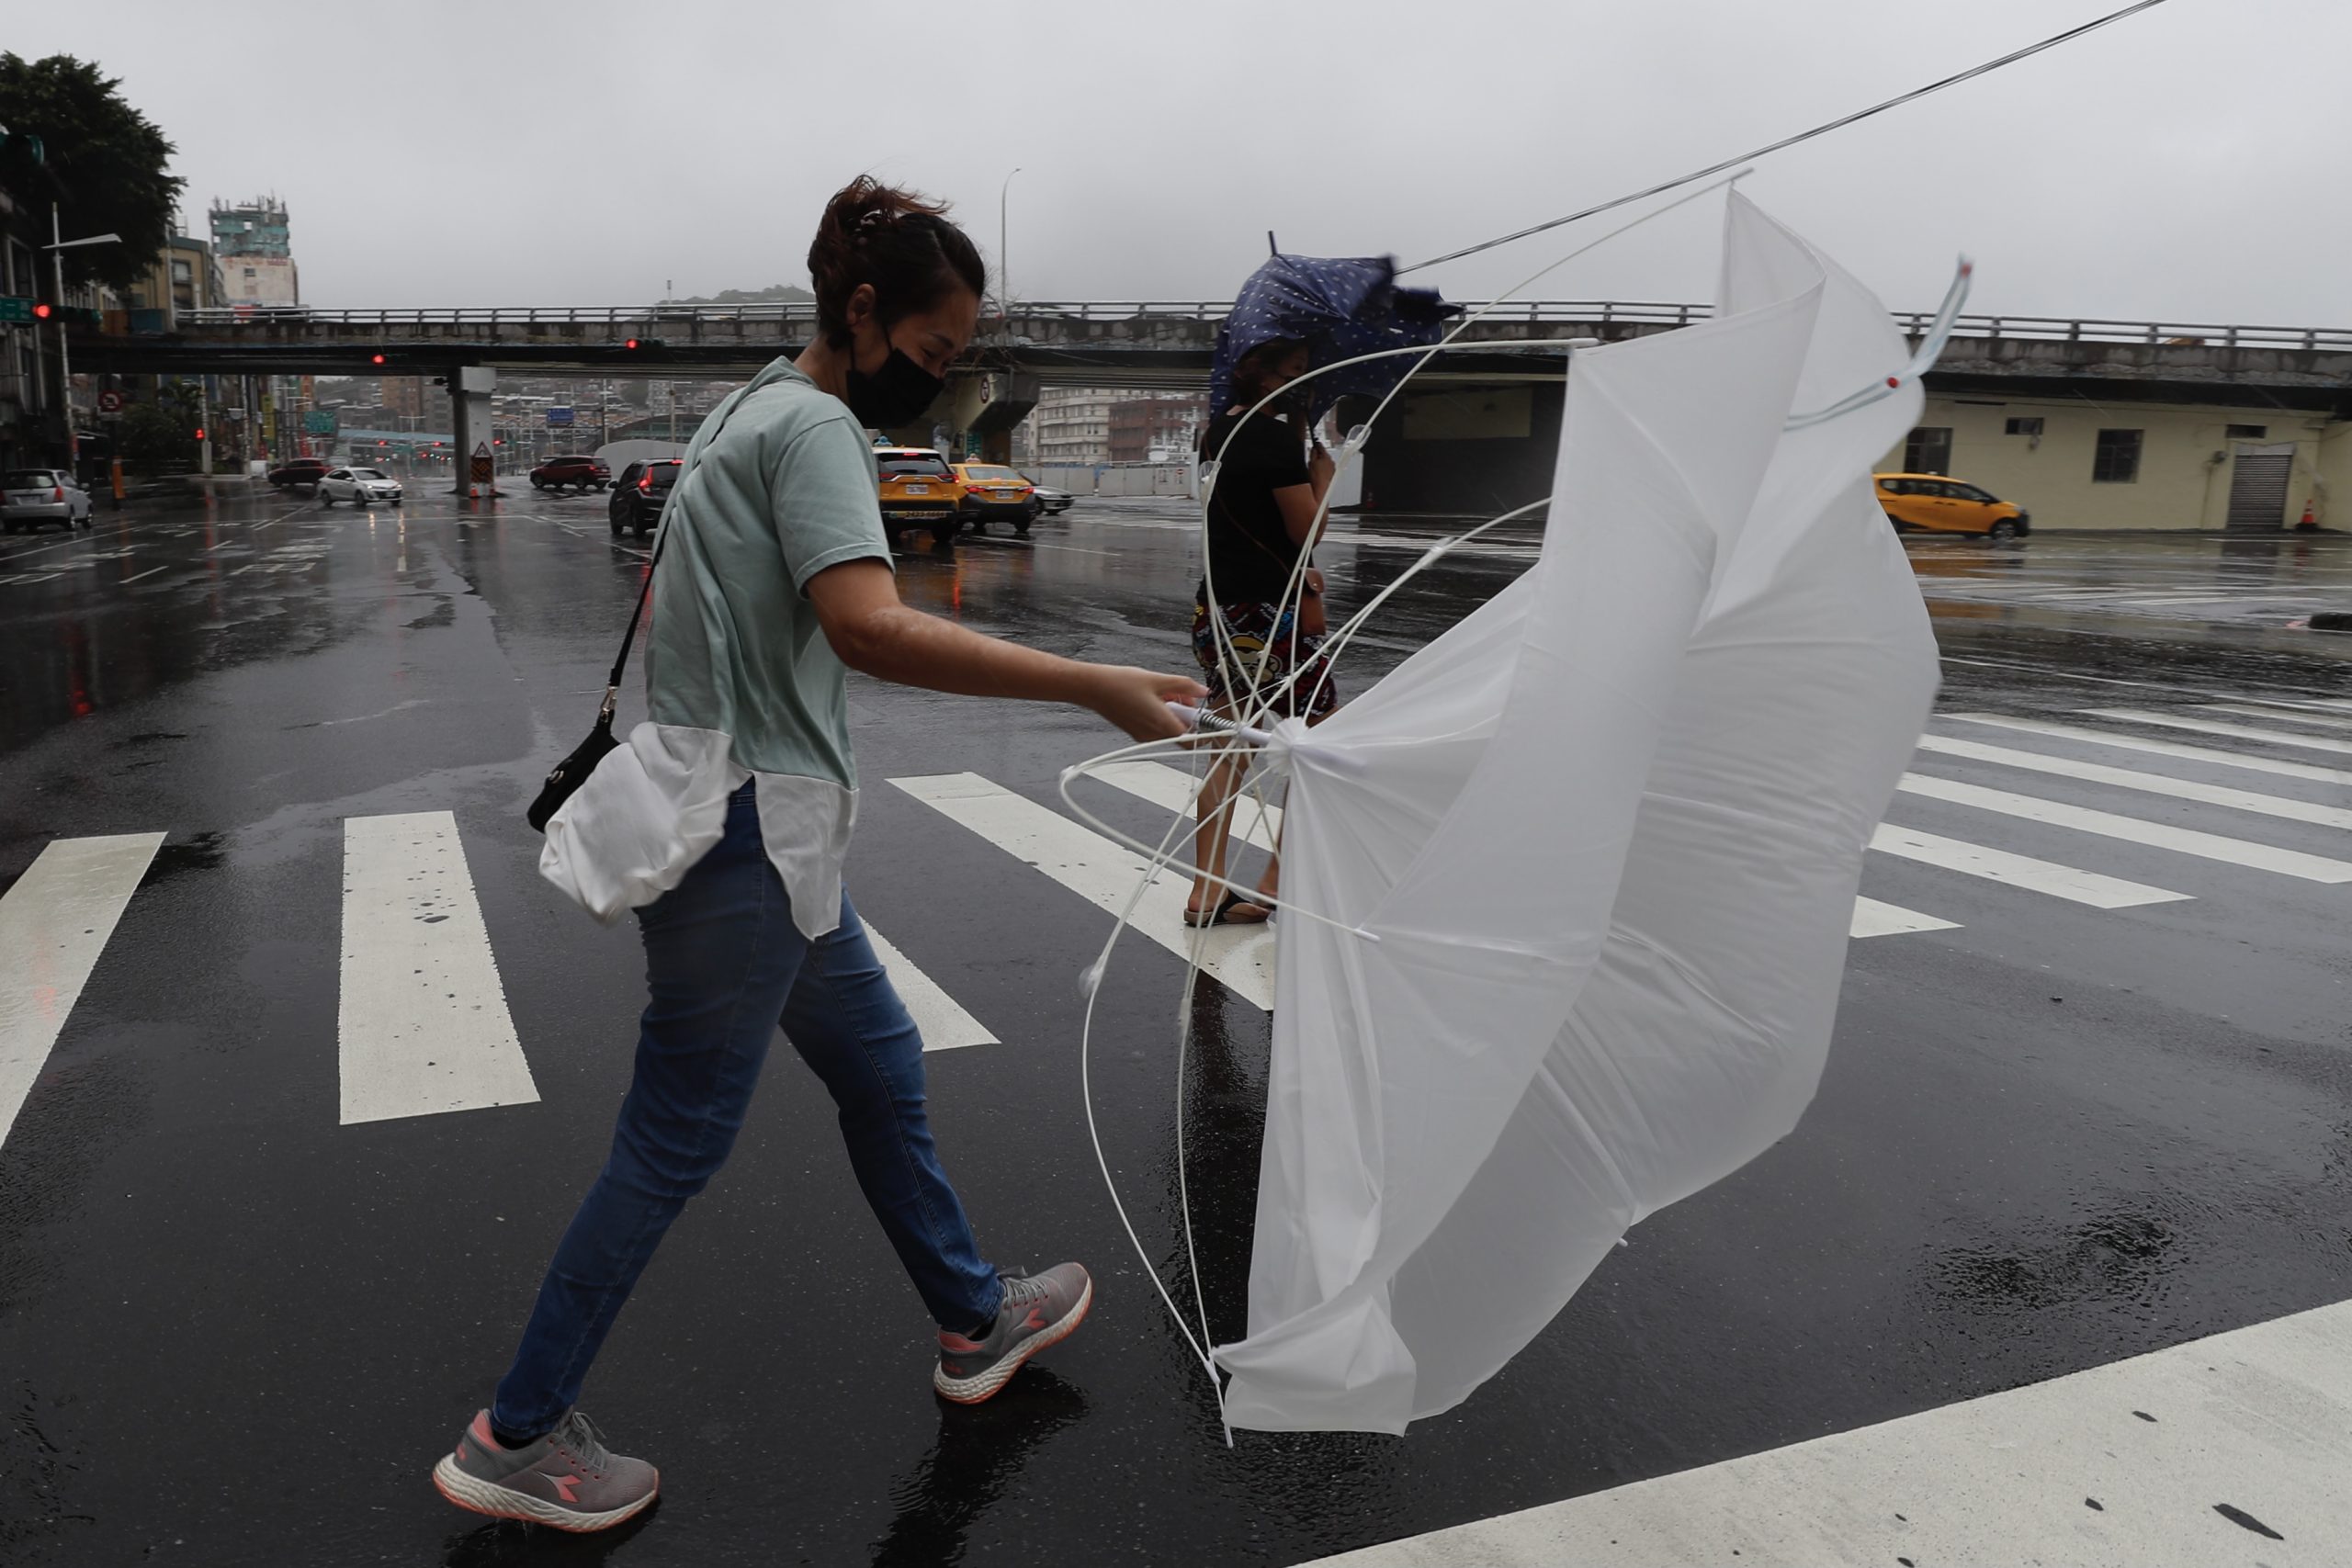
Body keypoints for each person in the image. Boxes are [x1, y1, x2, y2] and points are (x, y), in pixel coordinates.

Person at [432, 175, 1204, 1533]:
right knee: (672, 1139)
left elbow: (710, 604)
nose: (943, 384)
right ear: (863, 311)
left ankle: (975, 1316)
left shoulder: (741, 408)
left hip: (753, 822)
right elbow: (870, 626)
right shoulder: (818, 435)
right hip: (745, 827)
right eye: (936, 353)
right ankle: (519, 1429)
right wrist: (1093, 683)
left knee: (882, 1064)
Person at [1184, 338, 1337, 928]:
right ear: (1263, 374)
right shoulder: (1272, 439)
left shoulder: (1217, 431)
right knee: (1320, 743)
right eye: (1297, 371)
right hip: (1274, 615)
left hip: (1219, 611)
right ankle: (1274, 880)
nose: (1304, 381)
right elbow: (1307, 534)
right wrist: (1322, 476)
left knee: (1230, 744)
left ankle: (1205, 890)